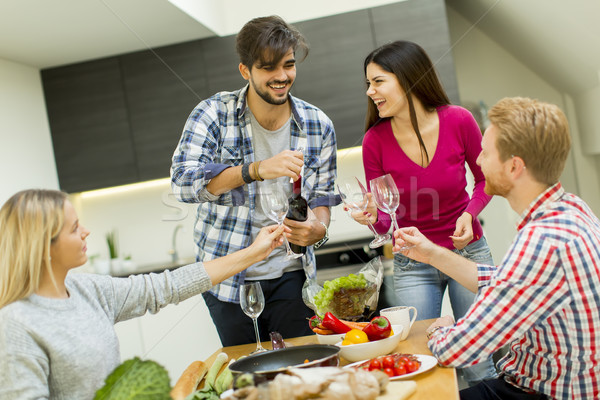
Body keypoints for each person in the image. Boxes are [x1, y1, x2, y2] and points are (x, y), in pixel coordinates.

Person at [394, 97, 600, 399]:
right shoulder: (572, 209)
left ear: (514, 166)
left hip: (540, 393)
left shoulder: (540, 240)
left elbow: (458, 350)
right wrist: (433, 254)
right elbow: (513, 283)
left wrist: (441, 328)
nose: (477, 162)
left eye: (486, 154)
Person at [0, 189, 286, 399]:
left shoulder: (84, 289)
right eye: (74, 228)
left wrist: (253, 253)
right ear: (44, 247)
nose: (86, 232)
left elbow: (163, 287)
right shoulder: (17, 324)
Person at [170, 16, 339, 346]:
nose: (281, 76)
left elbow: (322, 197)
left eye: (288, 65)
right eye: (268, 67)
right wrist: (256, 169)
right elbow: (183, 183)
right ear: (245, 70)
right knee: (248, 374)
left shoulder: (318, 125)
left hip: (291, 272)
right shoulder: (213, 115)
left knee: (301, 369)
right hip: (227, 274)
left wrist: (319, 229)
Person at [349, 40, 496, 385]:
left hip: (468, 253)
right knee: (419, 361)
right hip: (414, 263)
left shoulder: (458, 120)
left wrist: (470, 214)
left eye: (378, 81)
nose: (370, 91)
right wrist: (372, 217)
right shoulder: (375, 140)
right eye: (367, 84)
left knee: (476, 362)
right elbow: (386, 218)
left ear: (407, 78)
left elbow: (486, 179)